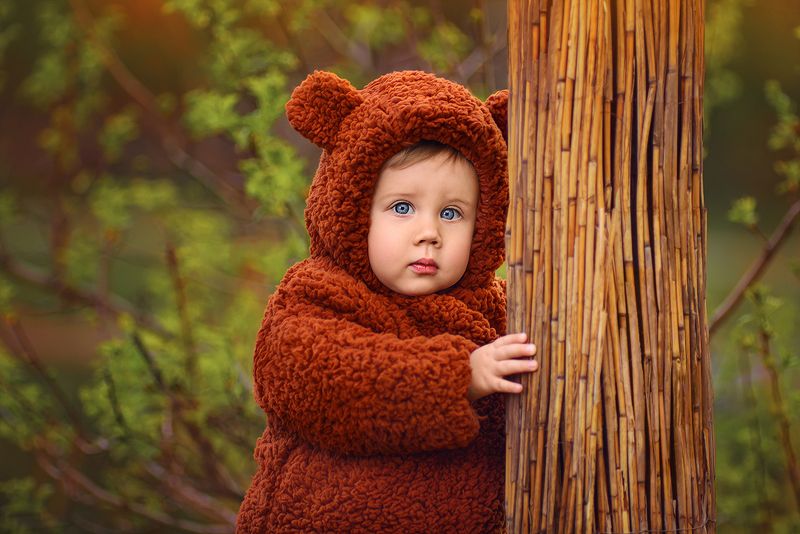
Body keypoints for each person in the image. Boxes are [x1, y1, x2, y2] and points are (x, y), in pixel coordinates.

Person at [236, 70, 538, 533]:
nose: (429, 233)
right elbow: (327, 380)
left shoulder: (495, 309)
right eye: (402, 207)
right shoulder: (315, 298)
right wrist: (458, 377)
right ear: (353, 206)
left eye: (452, 213)